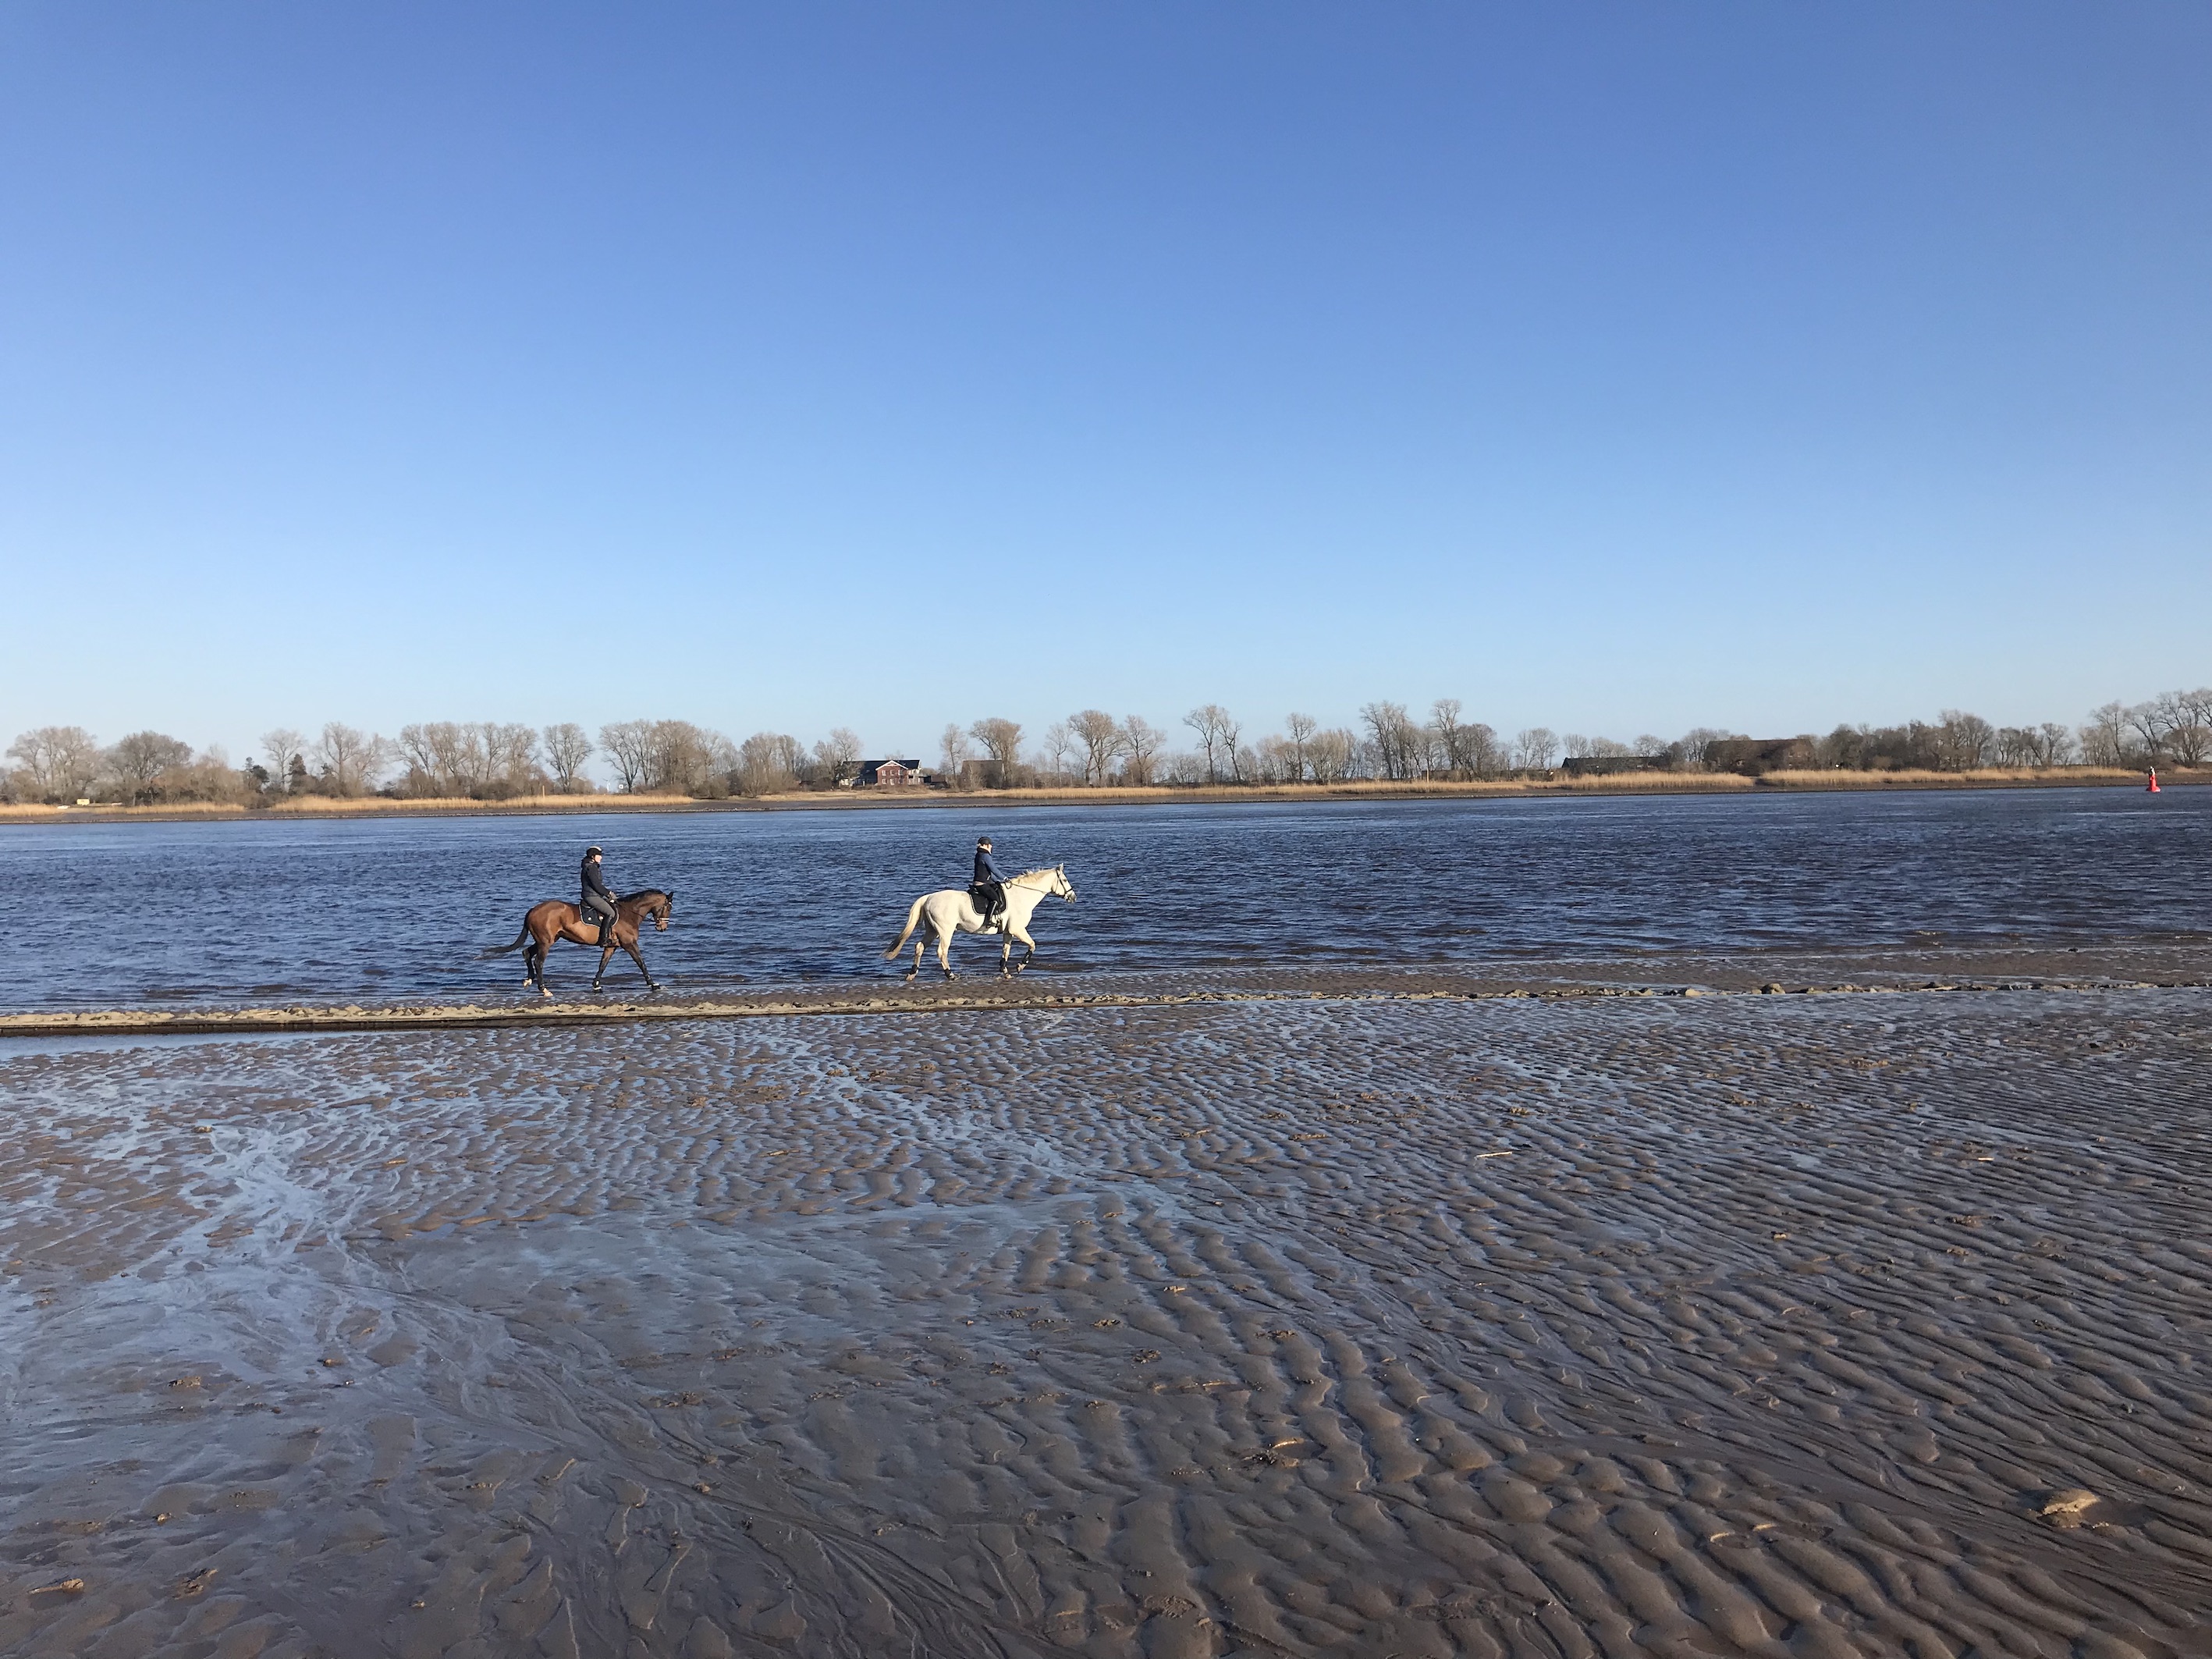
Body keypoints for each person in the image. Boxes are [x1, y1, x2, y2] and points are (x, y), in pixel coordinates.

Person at [581, 845, 620, 947]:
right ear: (593, 856)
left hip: (594, 894)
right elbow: (597, 885)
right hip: (591, 895)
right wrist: (609, 894)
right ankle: (604, 939)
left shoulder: (590, 866)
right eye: (599, 855)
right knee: (610, 912)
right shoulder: (591, 867)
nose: (601, 858)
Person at [970, 836, 1009, 930]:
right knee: (995, 900)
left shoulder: (979, 855)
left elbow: (989, 873)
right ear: (986, 845)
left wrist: (997, 881)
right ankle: (988, 921)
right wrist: (1005, 878)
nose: (991, 846)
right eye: (990, 845)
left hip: (983, 882)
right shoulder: (985, 856)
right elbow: (994, 870)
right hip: (982, 884)